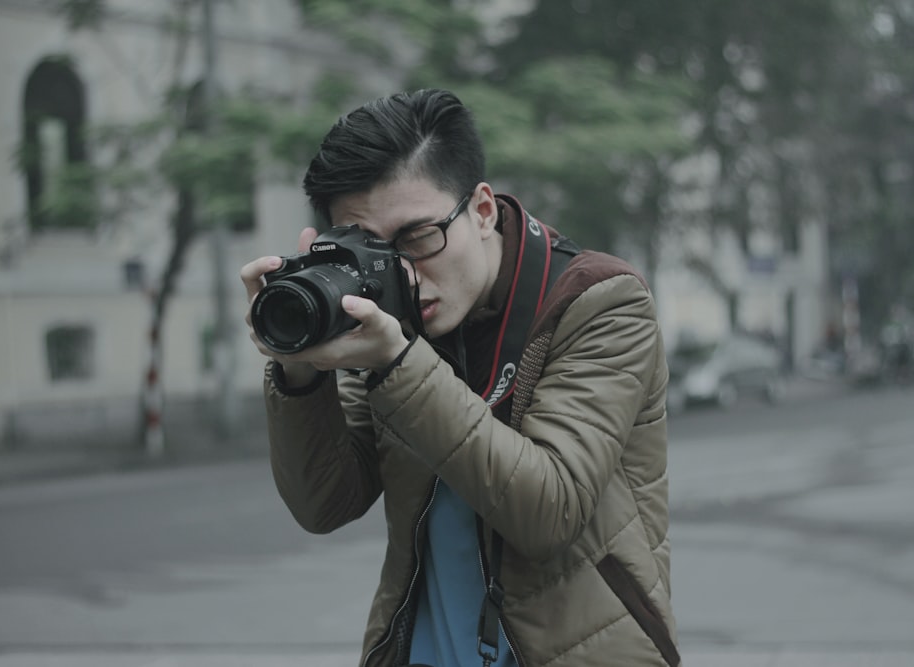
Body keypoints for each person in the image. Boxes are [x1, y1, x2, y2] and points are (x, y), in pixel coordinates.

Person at [241, 89, 678, 667]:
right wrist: (299, 368)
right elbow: (325, 504)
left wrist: (399, 363)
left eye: (419, 238)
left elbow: (550, 511)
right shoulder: (384, 319)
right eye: (372, 249)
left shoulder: (600, 302)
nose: (407, 274)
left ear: (481, 209)